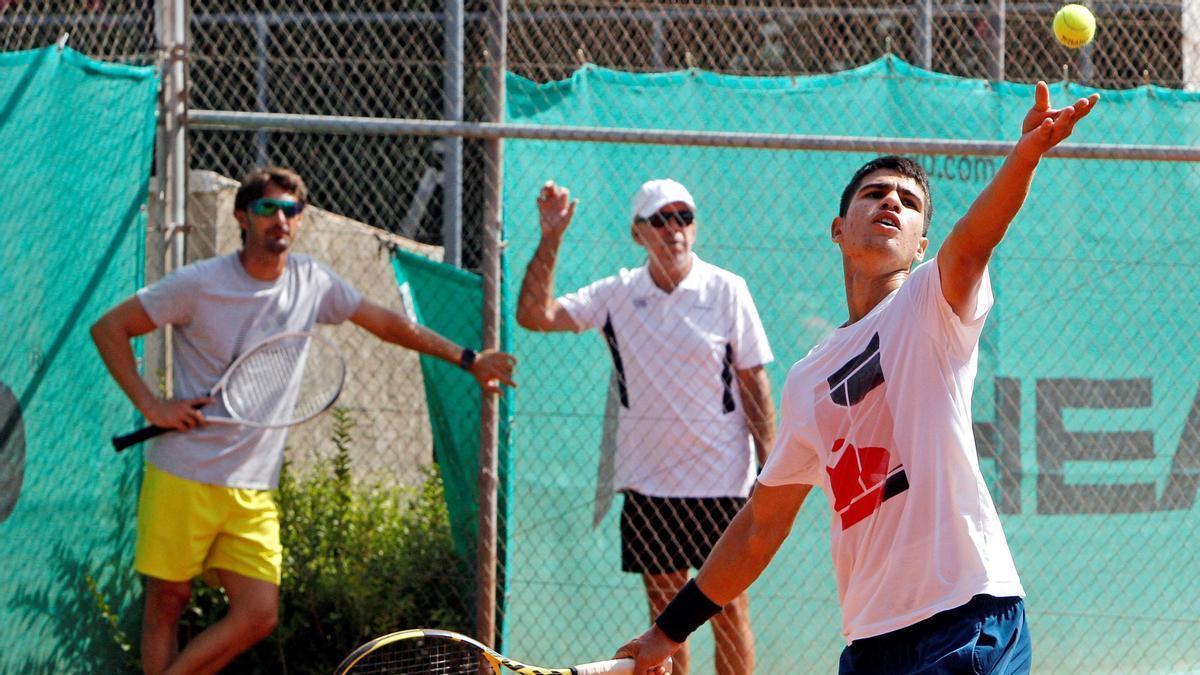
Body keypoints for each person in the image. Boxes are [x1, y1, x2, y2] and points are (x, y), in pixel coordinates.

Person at [615, 82, 1100, 675]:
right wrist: (668, 631)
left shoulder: (930, 304)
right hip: (870, 641)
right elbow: (760, 526)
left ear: (921, 244)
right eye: (874, 194)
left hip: (965, 616)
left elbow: (974, 242)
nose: (891, 202)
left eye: (908, 200)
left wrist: (1023, 159)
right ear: (839, 228)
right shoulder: (807, 378)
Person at [91, 166, 517, 675]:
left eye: (291, 210)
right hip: (183, 473)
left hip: (252, 489)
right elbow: (110, 328)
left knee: (258, 614)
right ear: (242, 217)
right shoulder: (198, 284)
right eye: (268, 209)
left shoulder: (312, 282)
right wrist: (152, 405)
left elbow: (384, 321)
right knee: (167, 602)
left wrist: (467, 359)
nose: (281, 220)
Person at [517, 178, 776, 675]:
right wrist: (550, 237)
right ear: (639, 233)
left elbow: (754, 383)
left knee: (728, 610)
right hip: (649, 487)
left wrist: (770, 465)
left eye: (684, 217)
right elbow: (535, 315)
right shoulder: (617, 293)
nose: (674, 228)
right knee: (664, 623)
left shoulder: (727, 290)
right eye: (660, 219)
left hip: (723, 484)